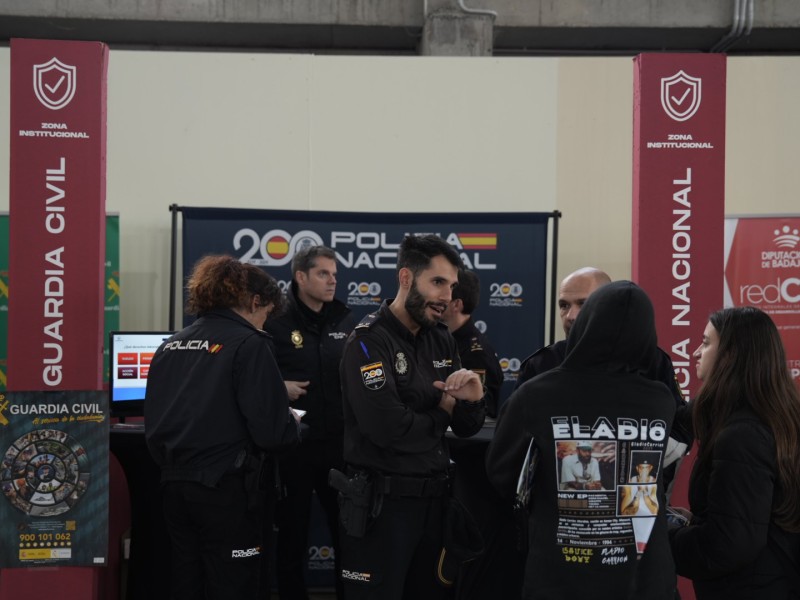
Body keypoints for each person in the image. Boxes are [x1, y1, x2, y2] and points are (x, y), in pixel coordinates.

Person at [486, 281, 677, 599]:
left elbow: (502, 475)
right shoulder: (660, 399)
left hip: (562, 576)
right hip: (645, 576)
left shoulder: (535, 395)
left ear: (589, 323)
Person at [336, 234, 486, 600]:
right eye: (437, 283)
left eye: (451, 286)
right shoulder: (368, 341)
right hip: (382, 508)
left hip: (435, 505)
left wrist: (472, 400)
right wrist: (441, 412)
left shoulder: (442, 339)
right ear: (406, 278)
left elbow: (466, 427)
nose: (447, 297)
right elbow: (389, 430)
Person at [144, 255, 301, 600]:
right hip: (228, 492)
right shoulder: (250, 344)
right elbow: (273, 434)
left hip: (173, 487)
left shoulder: (169, 345)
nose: (263, 325)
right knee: (234, 585)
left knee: (187, 581)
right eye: (265, 316)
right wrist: (293, 422)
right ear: (254, 301)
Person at [515, 267, 691, 490]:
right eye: (564, 305)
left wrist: (639, 479)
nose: (571, 316)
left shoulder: (653, 362)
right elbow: (513, 451)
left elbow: (677, 433)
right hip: (557, 509)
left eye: (583, 304)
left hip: (636, 502)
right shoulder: (541, 365)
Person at [668, 307, 800, 599]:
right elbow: (757, 519)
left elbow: (729, 544)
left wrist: (660, 537)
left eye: (705, 342)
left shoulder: (742, 435)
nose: (695, 353)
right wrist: (697, 521)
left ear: (730, 355)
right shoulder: (776, 419)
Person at [263, 245, 356, 600]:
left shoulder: (346, 321)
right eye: (323, 274)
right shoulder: (274, 321)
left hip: (340, 449)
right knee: (292, 538)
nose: (333, 281)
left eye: (334, 274)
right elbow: (252, 379)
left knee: (347, 537)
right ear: (300, 277)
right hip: (294, 450)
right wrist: (278, 387)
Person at [439, 268, 504, 418]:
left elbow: (484, 412)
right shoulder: (441, 339)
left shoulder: (477, 354)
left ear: (456, 305)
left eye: (445, 295)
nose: (438, 299)